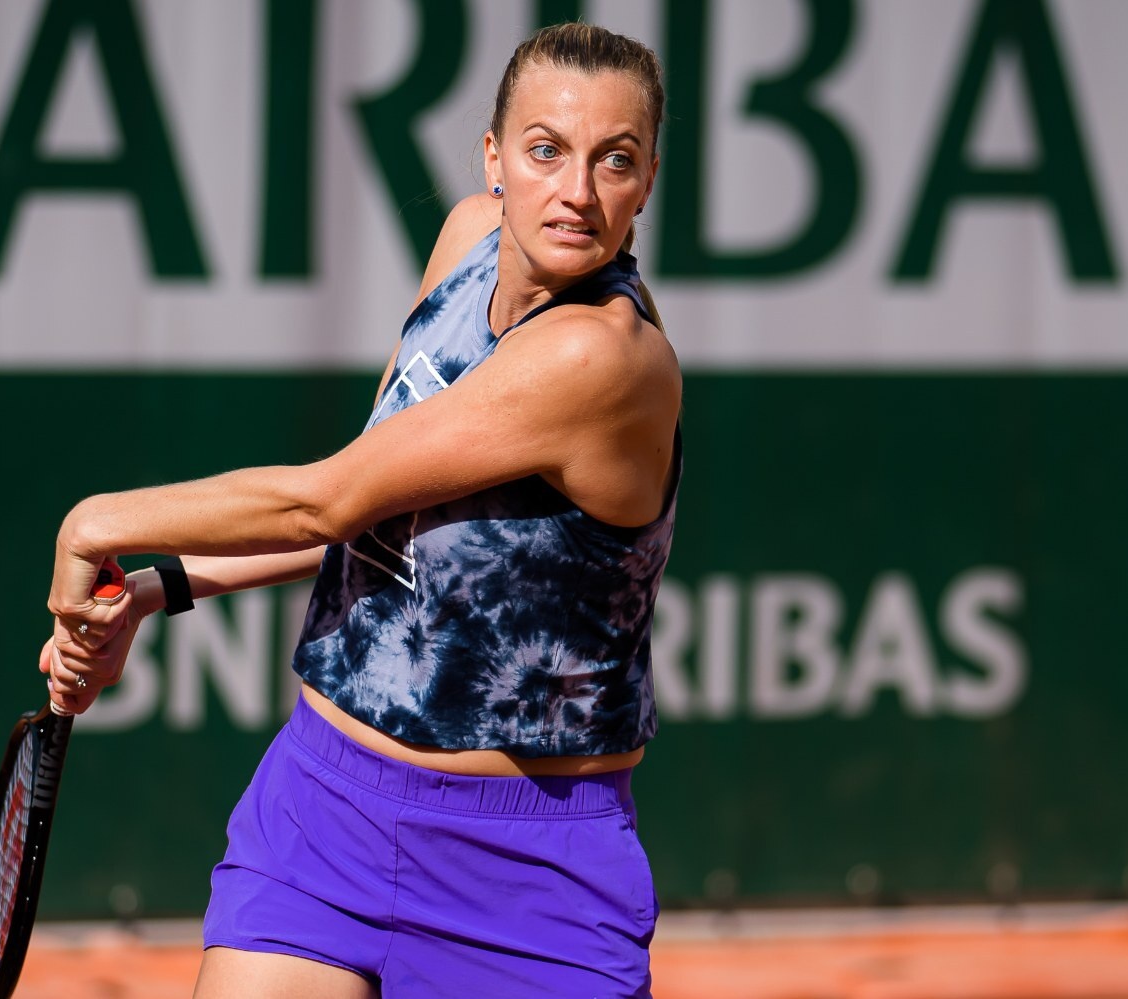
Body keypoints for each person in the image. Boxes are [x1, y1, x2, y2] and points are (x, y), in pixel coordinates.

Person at [39, 22, 679, 998]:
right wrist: (162, 589)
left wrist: (93, 523)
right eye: (546, 150)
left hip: (519, 872)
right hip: (322, 805)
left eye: (615, 161)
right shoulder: (470, 239)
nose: (577, 191)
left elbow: (321, 498)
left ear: (646, 179)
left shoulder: (598, 359)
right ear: (495, 158)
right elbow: (371, 513)